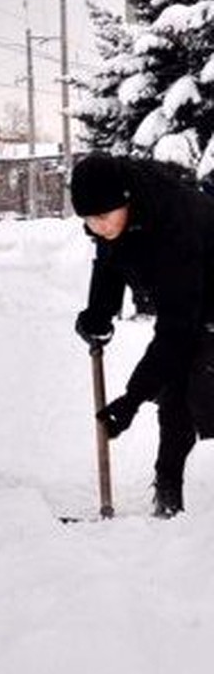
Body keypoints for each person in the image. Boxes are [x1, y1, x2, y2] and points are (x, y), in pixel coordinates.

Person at [70, 152, 214, 517]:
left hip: (207, 298)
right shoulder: (116, 214)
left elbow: (176, 330)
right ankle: (168, 496)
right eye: (88, 219)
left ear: (126, 200)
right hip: (188, 304)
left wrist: (132, 399)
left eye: (102, 217)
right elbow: (110, 260)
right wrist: (99, 314)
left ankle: (170, 498)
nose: (97, 226)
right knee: (175, 397)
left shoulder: (174, 221)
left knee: (203, 388)